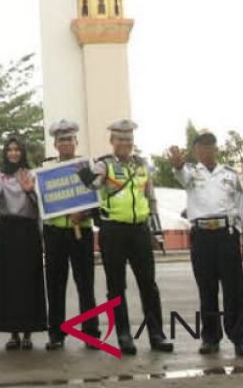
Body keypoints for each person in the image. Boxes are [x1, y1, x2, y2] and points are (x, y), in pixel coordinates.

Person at [89, 119, 172, 355]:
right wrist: (88, 176)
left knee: (148, 285)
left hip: (140, 231)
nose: (125, 143)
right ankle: (124, 336)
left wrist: (156, 232)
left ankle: (157, 334)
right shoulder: (103, 165)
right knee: (116, 287)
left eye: (129, 139)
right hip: (113, 230)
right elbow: (91, 188)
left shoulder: (142, 166)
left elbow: (151, 199)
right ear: (112, 141)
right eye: (120, 139)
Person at [168, 130, 243, 358]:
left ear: (216, 148)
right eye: (201, 147)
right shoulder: (191, 174)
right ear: (196, 151)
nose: (206, 151)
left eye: (210, 146)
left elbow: (241, 205)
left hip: (226, 234)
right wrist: (176, 165)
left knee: (234, 290)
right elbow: (179, 174)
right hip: (202, 236)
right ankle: (210, 338)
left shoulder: (230, 174)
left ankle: (240, 339)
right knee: (207, 289)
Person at [40, 119, 99, 351]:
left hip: (80, 233)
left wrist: (84, 211)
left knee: (85, 285)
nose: (65, 144)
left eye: (69, 140)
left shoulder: (87, 167)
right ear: (55, 144)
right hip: (55, 232)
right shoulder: (47, 168)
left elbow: (98, 197)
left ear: (76, 142)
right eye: (61, 140)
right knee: (55, 285)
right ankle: (56, 334)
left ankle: (91, 332)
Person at [0, 135, 47, 350]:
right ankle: (12, 332)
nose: (13, 153)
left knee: (29, 279)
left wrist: (30, 190)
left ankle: (28, 332)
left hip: (28, 230)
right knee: (8, 281)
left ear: (23, 153)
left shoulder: (32, 175)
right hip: (7, 230)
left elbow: (42, 204)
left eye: (17, 150)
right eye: (10, 149)